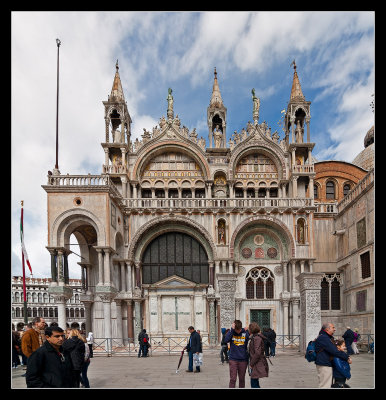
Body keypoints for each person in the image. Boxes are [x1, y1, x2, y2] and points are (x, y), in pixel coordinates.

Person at [315, 322, 350, 388]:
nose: (334, 329)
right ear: (327, 329)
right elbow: (334, 351)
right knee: (325, 386)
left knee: (328, 385)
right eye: (333, 327)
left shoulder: (327, 337)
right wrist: (347, 357)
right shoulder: (324, 338)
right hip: (324, 365)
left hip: (326, 364)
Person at [224, 319, 250, 388]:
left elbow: (251, 339)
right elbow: (226, 340)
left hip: (243, 360)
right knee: (233, 379)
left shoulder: (245, 333)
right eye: (236, 330)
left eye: (239, 330)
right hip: (233, 359)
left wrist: (245, 330)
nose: (238, 332)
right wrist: (232, 330)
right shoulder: (231, 332)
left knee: (242, 379)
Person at [248, 322, 269, 388]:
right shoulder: (254, 337)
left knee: (254, 383)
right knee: (255, 381)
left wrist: (251, 364)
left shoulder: (257, 338)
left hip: (256, 363)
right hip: (255, 362)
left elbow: (257, 353)